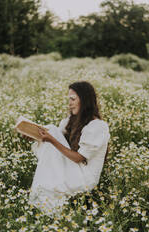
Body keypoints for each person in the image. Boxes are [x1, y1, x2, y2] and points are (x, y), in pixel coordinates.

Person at [28, 81, 110, 217]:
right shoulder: (70, 121)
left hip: (85, 175)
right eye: (69, 99)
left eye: (73, 99)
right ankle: (50, 209)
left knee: (52, 131)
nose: (69, 103)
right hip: (73, 166)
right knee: (52, 131)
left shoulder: (97, 126)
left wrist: (51, 140)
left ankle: (50, 211)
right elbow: (55, 148)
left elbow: (79, 157)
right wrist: (35, 136)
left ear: (84, 100)